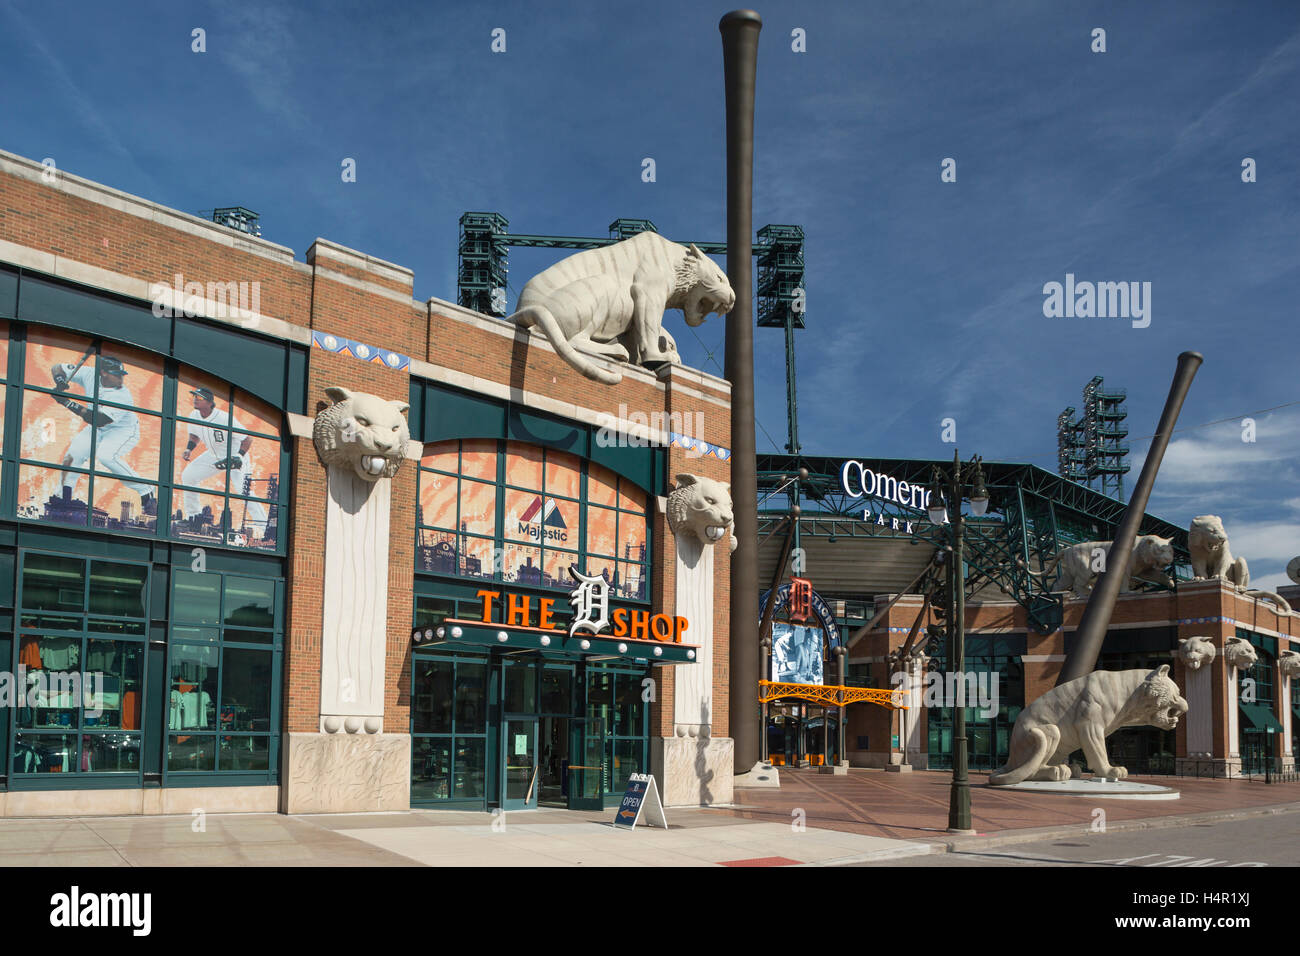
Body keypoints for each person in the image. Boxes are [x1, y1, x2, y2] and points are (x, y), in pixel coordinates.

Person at [53, 356, 155, 515]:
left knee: (107, 456)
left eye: (122, 374)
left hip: (122, 430)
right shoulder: (90, 374)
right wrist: (60, 380)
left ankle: (145, 490)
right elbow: (57, 366)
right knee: (73, 454)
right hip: (97, 427)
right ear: (103, 373)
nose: (121, 378)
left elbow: (98, 420)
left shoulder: (122, 395)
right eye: (117, 373)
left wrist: (67, 402)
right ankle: (65, 497)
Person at [179, 387, 268, 535]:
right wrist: (189, 449)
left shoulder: (224, 418)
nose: (195, 399)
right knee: (188, 475)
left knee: (243, 491)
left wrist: (239, 456)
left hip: (235, 454)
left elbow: (247, 439)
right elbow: (194, 435)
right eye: (195, 396)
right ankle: (193, 516)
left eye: (199, 397)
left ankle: (266, 529)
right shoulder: (194, 415)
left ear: (209, 402)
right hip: (214, 455)